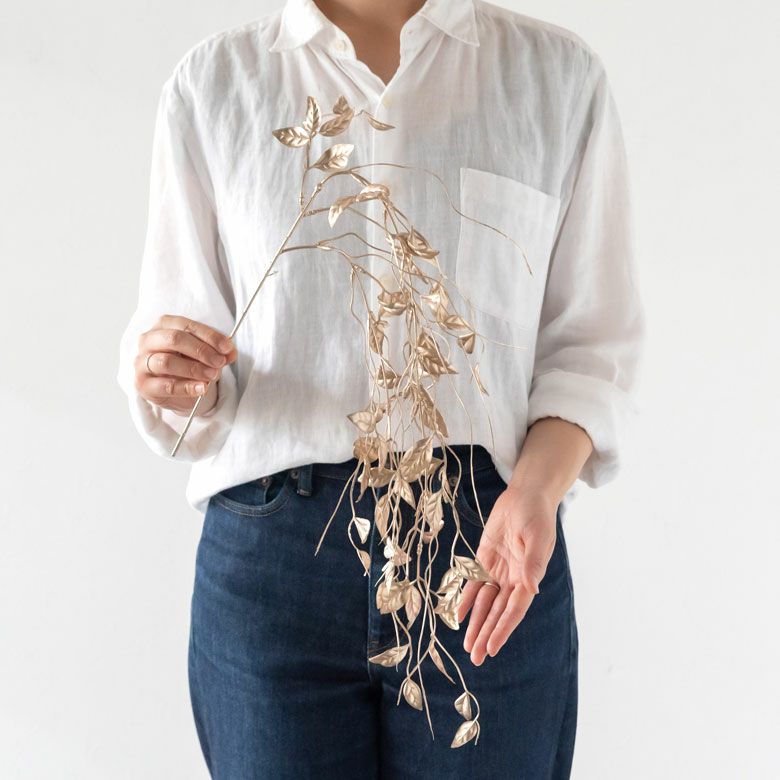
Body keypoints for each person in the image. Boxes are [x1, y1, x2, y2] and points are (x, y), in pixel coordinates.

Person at [117, 0, 645, 776]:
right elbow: (188, 362)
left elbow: (592, 348)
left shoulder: (555, 80)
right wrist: (168, 371)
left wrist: (537, 490)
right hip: (275, 565)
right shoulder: (217, 84)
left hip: (487, 550)